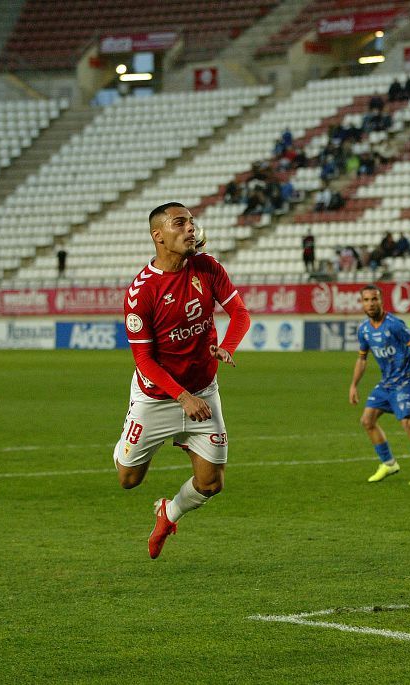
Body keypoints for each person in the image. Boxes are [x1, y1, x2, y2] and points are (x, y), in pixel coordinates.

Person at [115, 202, 251, 559]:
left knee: (211, 483)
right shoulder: (140, 292)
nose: (191, 228)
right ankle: (130, 430)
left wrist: (228, 346)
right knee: (128, 480)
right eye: (180, 223)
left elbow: (239, 313)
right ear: (158, 235)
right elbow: (143, 359)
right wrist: (181, 397)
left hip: (203, 391)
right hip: (157, 396)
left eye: (192, 222)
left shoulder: (207, 267)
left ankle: (168, 513)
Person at [349, 285, 410, 485]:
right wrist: (354, 385)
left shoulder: (394, 324)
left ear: (381, 301)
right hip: (386, 383)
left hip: (405, 381)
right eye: (366, 300)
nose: (371, 304)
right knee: (367, 420)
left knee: (408, 424)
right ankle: (388, 464)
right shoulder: (364, 330)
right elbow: (362, 359)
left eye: (374, 299)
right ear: (362, 303)